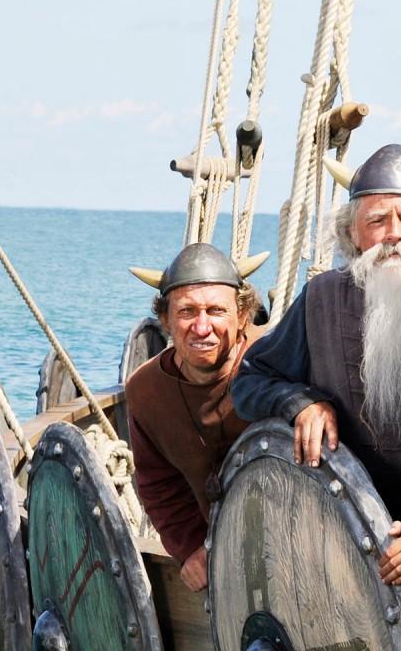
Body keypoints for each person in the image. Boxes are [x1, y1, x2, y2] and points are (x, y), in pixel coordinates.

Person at [231, 143, 401, 585]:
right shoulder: (321, 298)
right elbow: (249, 381)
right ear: (353, 234)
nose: (394, 233)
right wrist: (300, 402)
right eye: (377, 220)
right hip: (341, 530)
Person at [122, 242, 266, 592]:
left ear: (242, 316)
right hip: (226, 559)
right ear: (166, 320)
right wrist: (191, 549)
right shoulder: (146, 390)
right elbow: (160, 485)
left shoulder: (275, 359)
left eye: (216, 310)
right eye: (187, 312)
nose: (202, 327)